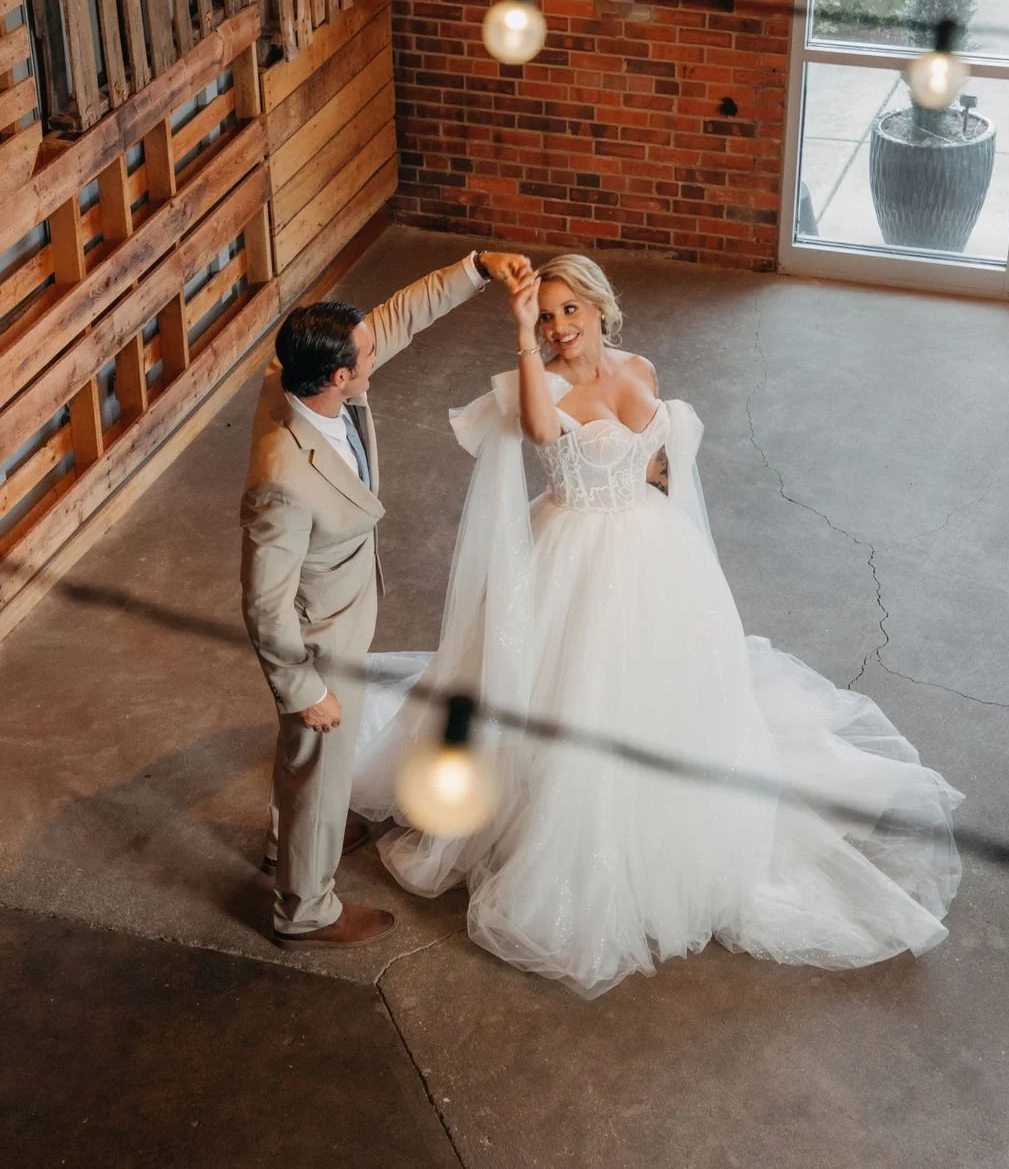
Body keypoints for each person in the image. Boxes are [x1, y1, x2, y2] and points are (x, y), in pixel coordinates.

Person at [351, 254, 963, 997]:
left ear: (601, 309)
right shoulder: (536, 382)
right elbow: (547, 438)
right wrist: (517, 333)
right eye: (546, 316)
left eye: (569, 311)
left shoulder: (639, 365)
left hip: (655, 556)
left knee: (672, 694)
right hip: (573, 557)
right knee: (572, 695)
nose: (558, 327)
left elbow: (661, 462)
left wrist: (653, 474)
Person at [240, 247, 532, 950]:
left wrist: (475, 268)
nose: (379, 348)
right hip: (318, 638)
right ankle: (304, 910)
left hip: (342, 604)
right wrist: (302, 687)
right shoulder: (282, 480)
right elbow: (262, 601)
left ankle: (293, 845)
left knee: (308, 761)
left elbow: (396, 318)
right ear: (340, 377)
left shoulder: (297, 372)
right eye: (365, 355)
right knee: (317, 754)